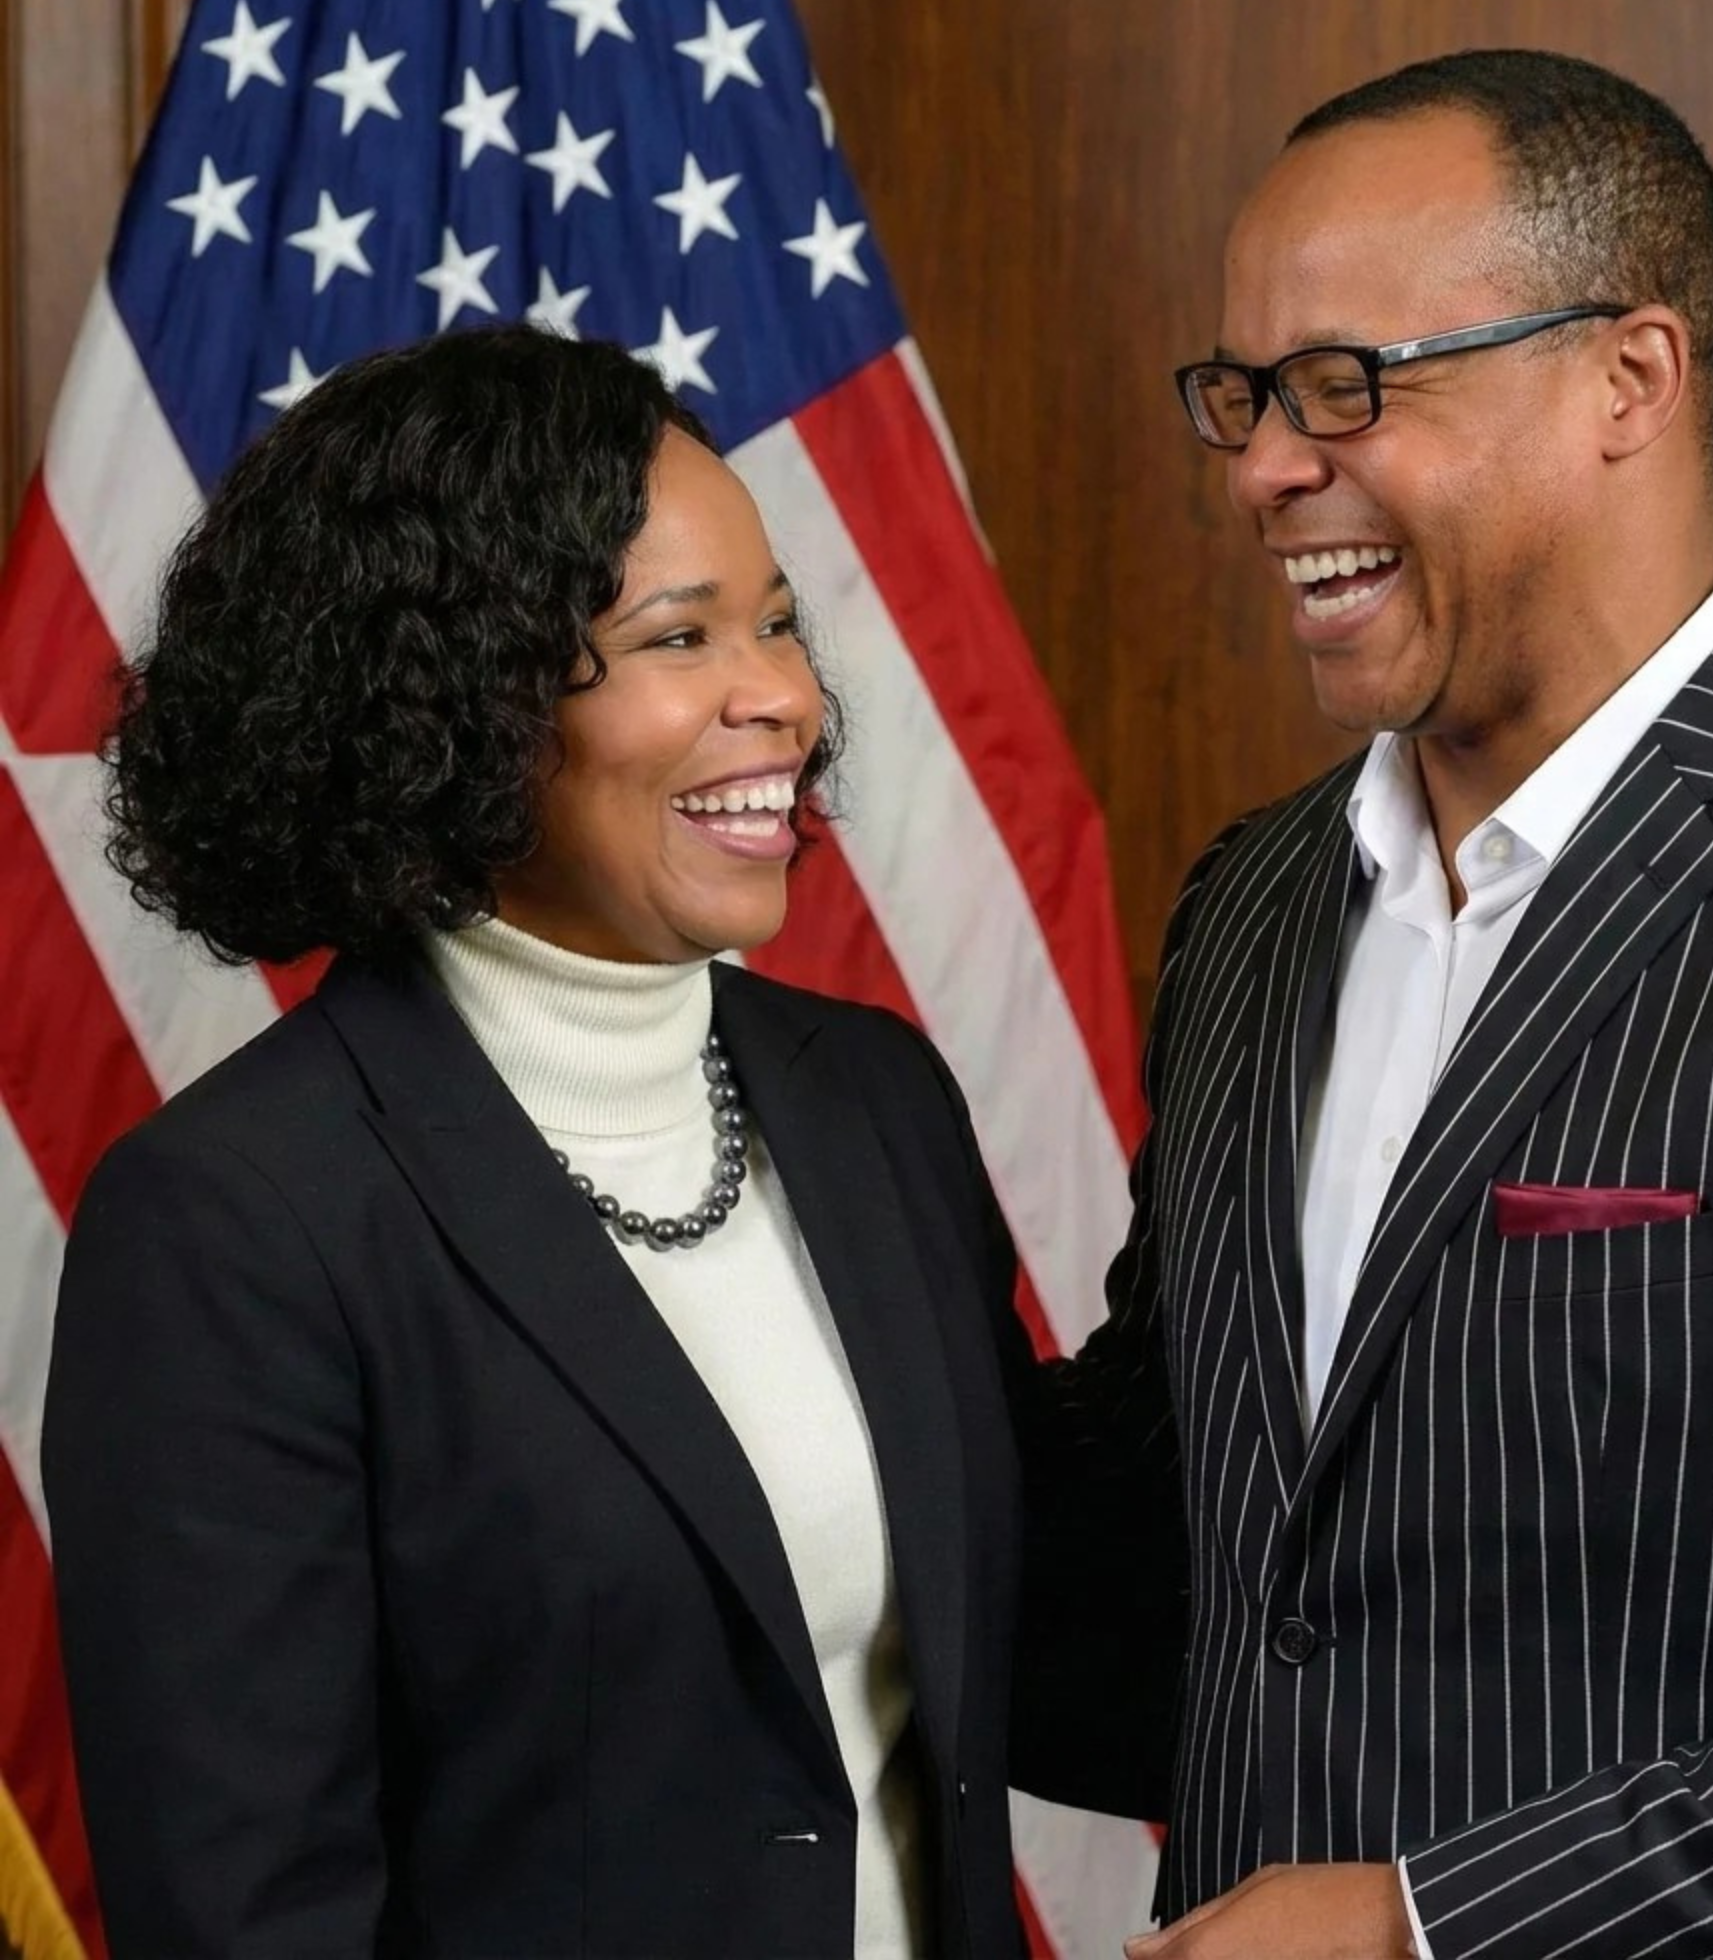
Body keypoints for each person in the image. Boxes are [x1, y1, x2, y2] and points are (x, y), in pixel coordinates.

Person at [1034, 49, 1713, 1957]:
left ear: (1630, 380)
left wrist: (1427, 1928)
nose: (1264, 466)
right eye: (1244, 396)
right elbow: (1168, 1544)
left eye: (1350, 385)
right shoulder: (1256, 903)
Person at [42, 324, 1032, 1960]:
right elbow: (248, 1916)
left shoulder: (876, 1102)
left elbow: (1046, 1637)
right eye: (680, 636)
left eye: (776, 622)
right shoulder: (236, 1224)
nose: (783, 694)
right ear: (455, 701)